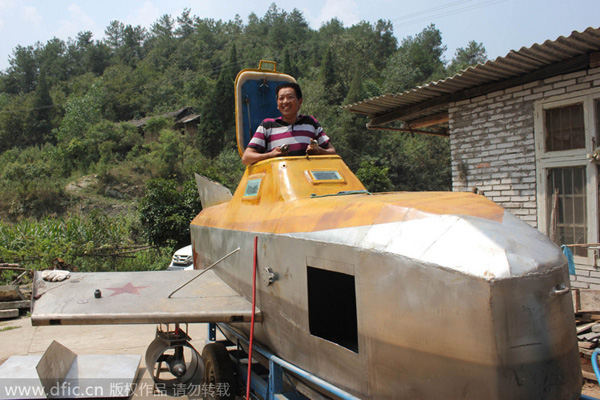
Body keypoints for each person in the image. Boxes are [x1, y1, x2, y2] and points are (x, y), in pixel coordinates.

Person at [242, 82, 336, 165]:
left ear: (299, 102)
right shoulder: (267, 125)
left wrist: (319, 151)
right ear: (277, 104)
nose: (285, 102)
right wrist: (271, 155)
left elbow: (333, 152)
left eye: (290, 97)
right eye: (281, 98)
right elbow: (247, 158)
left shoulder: (311, 122)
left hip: (307, 182)